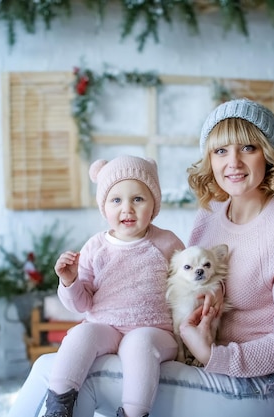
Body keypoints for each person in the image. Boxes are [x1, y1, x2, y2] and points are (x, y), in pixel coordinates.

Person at [7, 99, 274, 417]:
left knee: (60, 372)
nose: (234, 163)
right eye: (221, 151)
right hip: (196, 361)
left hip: (255, 382)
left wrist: (214, 354)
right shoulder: (211, 214)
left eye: (248, 148)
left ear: (267, 152)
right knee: (70, 366)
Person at [24, 155, 185, 417]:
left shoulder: (167, 243)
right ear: (104, 206)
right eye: (116, 200)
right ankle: (58, 407)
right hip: (106, 326)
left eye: (138, 199)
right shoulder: (95, 247)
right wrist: (70, 280)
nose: (127, 209)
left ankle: (133, 413)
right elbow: (81, 304)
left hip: (154, 329)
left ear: (154, 204)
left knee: (139, 344)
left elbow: (186, 287)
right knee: (80, 334)